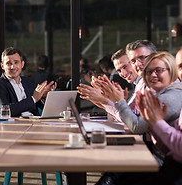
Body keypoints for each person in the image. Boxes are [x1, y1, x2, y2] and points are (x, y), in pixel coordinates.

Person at [105, 51, 182, 185]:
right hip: (165, 161)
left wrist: (117, 101)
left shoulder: (168, 97)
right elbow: (167, 148)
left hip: (166, 166)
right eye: (148, 72)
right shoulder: (159, 92)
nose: (152, 75)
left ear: (172, 72)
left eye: (158, 70)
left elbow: (136, 127)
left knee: (115, 174)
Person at [0, 47, 55, 117]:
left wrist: (43, 96)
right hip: (16, 125)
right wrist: (34, 98)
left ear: (22, 64)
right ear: (2, 66)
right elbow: (4, 111)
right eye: (9, 63)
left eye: (16, 62)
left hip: (35, 121)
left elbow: (38, 104)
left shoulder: (27, 81)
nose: (13, 67)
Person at [78, 49, 138, 122]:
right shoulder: (137, 84)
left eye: (125, 66)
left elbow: (130, 120)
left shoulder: (143, 85)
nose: (123, 73)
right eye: (118, 70)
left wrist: (104, 101)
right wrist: (103, 101)